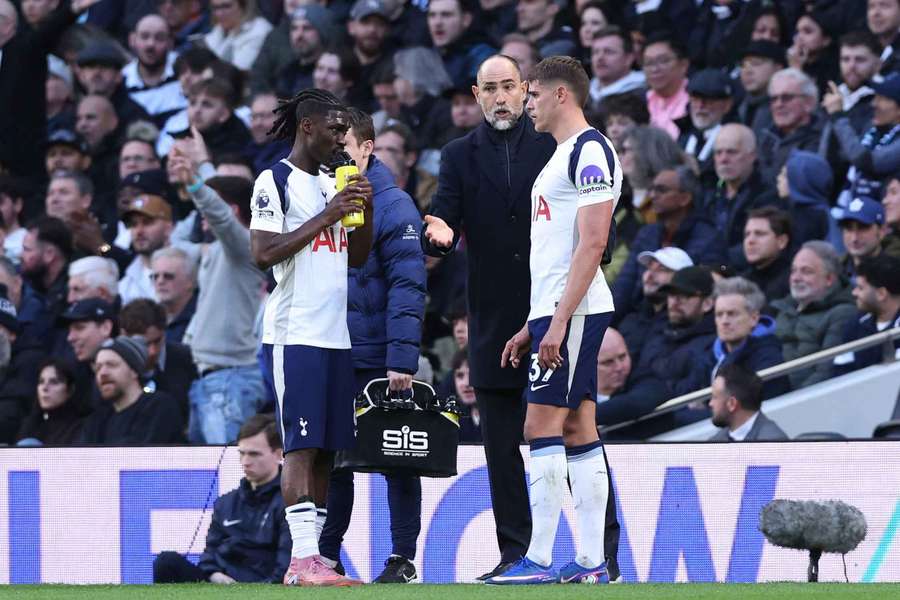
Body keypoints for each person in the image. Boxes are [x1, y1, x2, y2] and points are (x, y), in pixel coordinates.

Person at [486, 55, 620, 585]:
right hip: (558, 310)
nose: (528, 105)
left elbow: (593, 242)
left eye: (534, 95)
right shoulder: (562, 154)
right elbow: (557, 249)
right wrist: (534, 323)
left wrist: (560, 320)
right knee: (577, 425)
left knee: (539, 425)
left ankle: (539, 560)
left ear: (561, 94)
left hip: (575, 310)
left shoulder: (591, 151)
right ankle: (590, 562)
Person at [421, 54, 554, 580]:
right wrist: (438, 235)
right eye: (490, 89)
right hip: (492, 321)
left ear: (525, 89)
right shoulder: (457, 155)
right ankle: (515, 553)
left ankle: (600, 549)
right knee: (500, 446)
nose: (500, 98)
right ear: (476, 96)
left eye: (508, 87)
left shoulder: (554, 143)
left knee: (571, 433)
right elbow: (445, 217)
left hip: (552, 312)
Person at [249, 88, 374, 587]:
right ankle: (302, 561)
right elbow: (262, 253)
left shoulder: (331, 182)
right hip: (294, 333)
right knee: (300, 447)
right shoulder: (274, 180)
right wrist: (328, 214)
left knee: (326, 450)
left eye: (346, 130)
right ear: (307, 127)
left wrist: (361, 208)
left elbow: (356, 257)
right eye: (336, 129)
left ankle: (314, 559)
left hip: (334, 336)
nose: (343, 138)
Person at [319, 109, 427, 584]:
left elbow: (408, 286)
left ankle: (403, 559)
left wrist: (401, 359)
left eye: (344, 148)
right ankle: (326, 557)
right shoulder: (318, 197)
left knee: (397, 460)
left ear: (367, 149)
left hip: (379, 357)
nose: (335, 157)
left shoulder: (394, 204)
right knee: (332, 462)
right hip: (331, 350)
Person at [167, 136, 268, 445]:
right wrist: (203, 163)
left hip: (231, 380)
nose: (202, 214)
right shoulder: (218, 251)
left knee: (229, 468)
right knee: (210, 470)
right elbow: (223, 199)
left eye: (207, 206)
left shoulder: (246, 247)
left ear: (233, 210)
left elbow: (221, 215)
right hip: (211, 379)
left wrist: (195, 183)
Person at [153, 414, 291, 584]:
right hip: (219, 583)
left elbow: (285, 569)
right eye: (242, 453)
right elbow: (208, 556)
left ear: (278, 454)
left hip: (261, 586)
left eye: (254, 454)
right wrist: (214, 575)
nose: (245, 461)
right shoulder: (226, 502)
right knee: (167, 562)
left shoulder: (289, 503)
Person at [773, 241, 856, 388]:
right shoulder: (782, 309)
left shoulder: (842, 314)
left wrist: (794, 399)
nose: (796, 278)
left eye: (806, 271)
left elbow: (827, 372)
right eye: (793, 270)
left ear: (829, 279)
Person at [80, 335, 184, 444]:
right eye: (98, 368)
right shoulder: (98, 421)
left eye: (111, 365)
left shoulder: (159, 406)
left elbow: (140, 452)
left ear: (134, 371)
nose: (103, 373)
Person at [702, 123, 781, 265]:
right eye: (718, 153)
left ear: (752, 156)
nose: (723, 159)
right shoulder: (710, 191)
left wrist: (718, 265)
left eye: (731, 152)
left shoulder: (767, 194)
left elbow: (758, 246)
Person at [639, 265, 718, 398]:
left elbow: (690, 391)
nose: (674, 302)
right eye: (671, 294)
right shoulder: (658, 333)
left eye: (685, 295)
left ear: (707, 304)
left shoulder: (714, 343)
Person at [118, 298, 198, 421]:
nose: (153, 351)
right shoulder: (114, 366)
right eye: (144, 343)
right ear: (124, 336)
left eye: (157, 341)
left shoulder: (186, 358)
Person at [833, 254, 900, 376]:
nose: (854, 293)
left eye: (860, 288)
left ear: (881, 294)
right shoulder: (855, 325)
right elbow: (840, 374)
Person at [757, 68, 826, 183]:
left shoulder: (822, 138)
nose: (778, 104)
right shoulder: (766, 136)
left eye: (787, 98)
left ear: (809, 102)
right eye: (774, 99)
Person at [594, 327, 668, 430]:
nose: (619, 367)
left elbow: (636, 403)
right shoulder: (576, 393)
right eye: (608, 362)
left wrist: (582, 417)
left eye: (622, 357)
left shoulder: (643, 376)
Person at [123, 14, 187, 128]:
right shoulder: (122, 80)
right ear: (132, 40)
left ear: (170, 42)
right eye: (144, 37)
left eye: (159, 38)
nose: (151, 44)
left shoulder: (186, 72)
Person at [118, 194, 176, 304]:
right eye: (133, 224)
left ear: (168, 228)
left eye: (147, 222)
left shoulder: (187, 269)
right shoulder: (126, 281)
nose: (139, 231)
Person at [676, 69, 735, 179]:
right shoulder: (684, 137)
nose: (700, 106)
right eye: (695, 99)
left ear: (727, 105)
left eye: (709, 100)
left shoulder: (735, 140)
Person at [707, 363, 788, 442]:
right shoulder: (716, 441)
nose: (710, 403)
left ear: (732, 404)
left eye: (715, 397)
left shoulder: (773, 442)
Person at [16, 357, 87, 446]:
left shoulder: (80, 427)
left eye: (54, 382)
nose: (44, 388)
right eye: (41, 382)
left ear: (70, 389)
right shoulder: (30, 424)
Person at [428, 0, 496, 89]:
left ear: (466, 20)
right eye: (432, 15)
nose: (437, 22)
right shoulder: (426, 55)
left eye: (446, 15)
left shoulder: (482, 55)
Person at [833, 196, 900, 280]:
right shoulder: (832, 270)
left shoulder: (896, 272)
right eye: (848, 228)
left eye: (862, 228)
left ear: (882, 231)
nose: (854, 238)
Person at [741, 206, 794, 304]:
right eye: (747, 234)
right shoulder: (741, 282)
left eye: (759, 234)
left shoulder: (793, 281)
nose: (750, 241)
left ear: (782, 241)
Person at [642, 34, 690, 139]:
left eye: (663, 61)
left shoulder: (695, 100)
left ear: (683, 65)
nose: (655, 69)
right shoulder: (640, 101)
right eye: (648, 63)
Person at [204, 0, 273, 71]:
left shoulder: (259, 30)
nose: (219, 13)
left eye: (226, 6)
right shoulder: (219, 30)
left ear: (243, 6)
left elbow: (239, 70)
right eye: (215, 7)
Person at [735, 41, 785, 137]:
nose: (747, 71)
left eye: (755, 63)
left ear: (778, 68)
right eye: (743, 65)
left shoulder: (786, 107)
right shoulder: (738, 107)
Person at [587, 27, 645, 110]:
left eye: (608, 51)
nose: (599, 57)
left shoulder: (642, 94)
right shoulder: (582, 94)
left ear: (628, 58)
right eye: (595, 52)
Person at [149, 246, 197, 343]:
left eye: (168, 276)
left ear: (189, 281)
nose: (160, 281)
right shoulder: (149, 317)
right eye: (155, 276)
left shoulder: (202, 318)